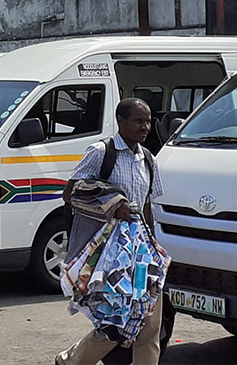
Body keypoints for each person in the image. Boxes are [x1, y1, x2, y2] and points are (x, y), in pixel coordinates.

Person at [56, 98, 166, 365]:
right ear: (120, 121)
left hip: (141, 251)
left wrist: (153, 246)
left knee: (149, 325)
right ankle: (71, 360)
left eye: (148, 121)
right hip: (108, 253)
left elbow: (148, 205)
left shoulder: (148, 159)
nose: (145, 127)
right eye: (138, 121)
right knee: (114, 325)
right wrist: (113, 205)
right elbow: (71, 193)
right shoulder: (101, 152)